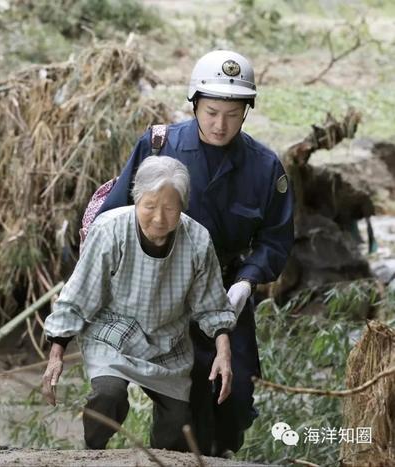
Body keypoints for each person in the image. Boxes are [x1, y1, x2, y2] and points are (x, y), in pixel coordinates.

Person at [96, 50, 295, 455]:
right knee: (166, 400)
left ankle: (214, 451)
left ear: (247, 112)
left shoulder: (264, 167)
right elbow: (112, 218)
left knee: (233, 397)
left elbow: (276, 239)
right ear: (194, 104)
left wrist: (247, 280)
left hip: (224, 295)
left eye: (232, 114)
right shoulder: (159, 147)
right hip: (155, 288)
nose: (220, 124)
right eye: (211, 112)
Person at [42, 156, 237, 451]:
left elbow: (212, 304)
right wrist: (56, 354)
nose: (159, 218)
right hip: (112, 335)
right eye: (149, 207)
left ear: (182, 207)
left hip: (167, 343)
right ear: (136, 200)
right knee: (107, 396)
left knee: (177, 427)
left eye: (170, 209)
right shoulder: (110, 230)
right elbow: (78, 295)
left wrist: (224, 352)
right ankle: (91, 454)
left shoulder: (196, 240)